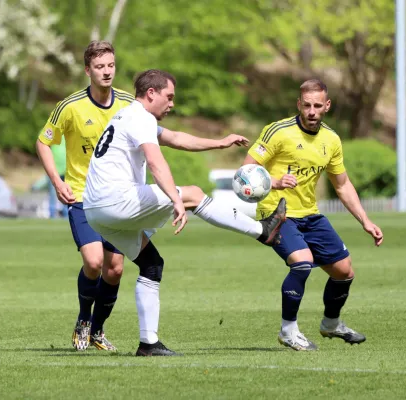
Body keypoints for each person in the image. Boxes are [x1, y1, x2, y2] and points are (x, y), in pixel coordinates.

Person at [36, 42, 250, 352]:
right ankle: (84, 320)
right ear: (87, 71)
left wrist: (218, 143)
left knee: (115, 269)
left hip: (124, 198)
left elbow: (171, 138)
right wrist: (57, 181)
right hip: (84, 196)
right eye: (100, 66)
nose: (107, 71)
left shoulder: (129, 104)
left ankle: (97, 330)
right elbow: (44, 142)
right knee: (94, 262)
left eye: (111, 65)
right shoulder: (70, 106)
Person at [83, 69, 286, 356]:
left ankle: (148, 344)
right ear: (151, 93)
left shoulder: (129, 115)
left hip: (95, 210)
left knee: (151, 264)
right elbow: (155, 161)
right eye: (169, 96)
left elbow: (177, 138)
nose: (172, 103)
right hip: (115, 200)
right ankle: (262, 231)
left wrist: (219, 142)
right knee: (191, 193)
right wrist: (177, 200)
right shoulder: (141, 117)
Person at [241, 79, 383, 351]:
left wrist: (365, 220)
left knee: (344, 271)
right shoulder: (277, 132)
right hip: (277, 213)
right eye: (306, 105)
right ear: (299, 104)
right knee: (302, 262)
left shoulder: (331, 140)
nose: (312, 111)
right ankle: (288, 330)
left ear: (327, 106)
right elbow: (246, 172)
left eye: (318, 105)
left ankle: (331, 324)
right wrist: (275, 181)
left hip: (310, 215)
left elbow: (341, 184)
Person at [47, 136, 68, 219]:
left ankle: (66, 214)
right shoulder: (51, 129)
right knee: (53, 193)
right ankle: (52, 214)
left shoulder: (69, 128)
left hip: (67, 169)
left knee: (67, 192)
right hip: (54, 170)